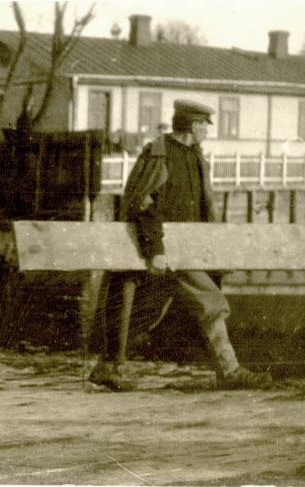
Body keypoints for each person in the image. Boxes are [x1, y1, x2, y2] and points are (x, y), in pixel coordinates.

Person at [89, 100, 272, 391]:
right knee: (199, 303)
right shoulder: (159, 153)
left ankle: (108, 368)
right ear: (193, 125)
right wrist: (155, 250)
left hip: (188, 250)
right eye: (205, 126)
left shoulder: (196, 156)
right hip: (159, 250)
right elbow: (142, 202)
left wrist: (212, 249)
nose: (207, 132)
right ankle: (229, 371)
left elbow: (203, 207)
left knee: (162, 310)